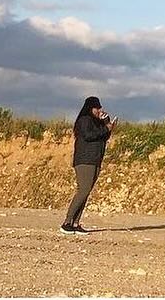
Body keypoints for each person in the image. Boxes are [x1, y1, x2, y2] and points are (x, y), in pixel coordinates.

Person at [60, 96, 116, 235]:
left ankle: (76, 223)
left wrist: (106, 122)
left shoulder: (97, 122)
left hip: (95, 160)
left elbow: (104, 136)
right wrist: (106, 127)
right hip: (85, 160)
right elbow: (89, 135)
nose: (100, 110)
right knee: (83, 190)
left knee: (86, 192)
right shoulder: (84, 120)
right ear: (91, 108)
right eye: (97, 108)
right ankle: (67, 222)